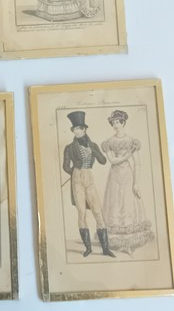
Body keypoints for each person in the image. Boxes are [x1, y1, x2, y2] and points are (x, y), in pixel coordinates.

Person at [101, 110, 155, 255]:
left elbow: (137, 163)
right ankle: (119, 243)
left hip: (128, 176)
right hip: (114, 177)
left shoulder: (132, 142)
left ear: (123, 123)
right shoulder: (109, 142)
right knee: (115, 205)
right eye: (113, 123)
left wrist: (136, 183)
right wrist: (126, 156)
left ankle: (129, 244)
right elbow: (112, 160)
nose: (115, 125)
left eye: (117, 122)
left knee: (128, 206)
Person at [63, 111, 115, 258]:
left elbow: (103, 161)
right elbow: (65, 166)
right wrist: (75, 170)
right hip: (77, 179)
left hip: (89, 177)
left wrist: (92, 151)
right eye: (74, 129)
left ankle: (105, 249)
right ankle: (88, 248)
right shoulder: (69, 148)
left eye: (79, 129)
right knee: (81, 212)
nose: (76, 131)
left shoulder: (93, 145)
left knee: (98, 211)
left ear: (84, 129)